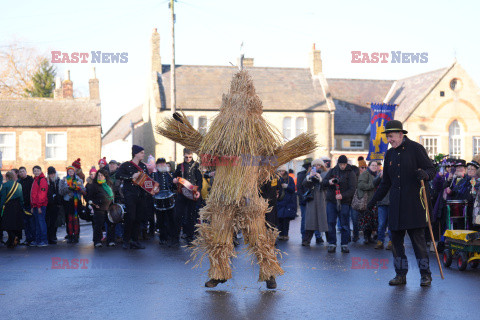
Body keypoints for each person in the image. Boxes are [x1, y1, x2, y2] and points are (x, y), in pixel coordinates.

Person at [368, 120, 435, 287]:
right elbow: (385, 183)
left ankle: (425, 275)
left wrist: (424, 174)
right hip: (396, 206)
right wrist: (373, 201)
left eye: (391, 136)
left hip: (414, 205)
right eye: (387, 137)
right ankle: (400, 275)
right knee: (396, 244)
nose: (389, 140)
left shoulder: (416, 149)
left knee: (418, 243)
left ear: (400, 134)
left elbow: (431, 169)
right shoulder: (389, 154)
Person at [322, 155, 357, 253]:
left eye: (344, 164)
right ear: (338, 163)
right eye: (341, 164)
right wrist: (329, 182)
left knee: (344, 224)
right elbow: (323, 183)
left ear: (347, 164)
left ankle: (344, 244)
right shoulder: (333, 171)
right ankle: (332, 244)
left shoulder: (350, 173)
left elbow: (353, 189)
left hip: (344, 202)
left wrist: (343, 195)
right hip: (332, 201)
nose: (343, 166)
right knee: (331, 223)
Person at [116, 145, 149, 249]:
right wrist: (131, 177)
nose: (143, 154)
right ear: (136, 154)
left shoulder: (143, 166)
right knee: (130, 217)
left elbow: (147, 179)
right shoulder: (126, 165)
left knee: (138, 218)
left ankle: (135, 240)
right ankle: (126, 240)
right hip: (130, 194)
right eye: (142, 152)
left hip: (141, 194)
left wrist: (153, 188)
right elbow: (118, 175)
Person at [172, 148, 202, 245]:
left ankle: (190, 236)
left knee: (191, 216)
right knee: (178, 215)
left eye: (190, 157)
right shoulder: (180, 166)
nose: (188, 158)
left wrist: (198, 191)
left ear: (192, 155)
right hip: (182, 193)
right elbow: (174, 177)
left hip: (192, 194)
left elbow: (199, 180)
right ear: (183, 155)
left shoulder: (196, 166)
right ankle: (175, 237)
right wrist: (174, 180)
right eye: (186, 157)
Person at [302, 159, 328, 246]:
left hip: (322, 199)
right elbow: (304, 184)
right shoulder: (309, 173)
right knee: (310, 220)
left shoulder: (326, 173)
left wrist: (320, 178)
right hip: (312, 200)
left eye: (319, 165)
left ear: (322, 166)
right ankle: (306, 240)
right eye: (315, 165)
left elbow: (326, 185)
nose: (317, 167)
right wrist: (309, 177)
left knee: (325, 221)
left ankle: (331, 241)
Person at [88, 169, 115, 247]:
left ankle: (111, 240)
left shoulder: (109, 184)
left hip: (109, 208)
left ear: (105, 176)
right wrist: (94, 205)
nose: (100, 177)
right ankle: (97, 241)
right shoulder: (94, 185)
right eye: (98, 175)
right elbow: (89, 197)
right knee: (98, 226)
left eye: (101, 175)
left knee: (110, 225)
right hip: (99, 208)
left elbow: (113, 194)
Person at [297, 158, 322, 244]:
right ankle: (305, 238)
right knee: (305, 219)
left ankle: (318, 236)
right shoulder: (301, 175)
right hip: (305, 200)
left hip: (313, 200)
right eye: (312, 166)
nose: (312, 168)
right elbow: (300, 188)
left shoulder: (318, 174)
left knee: (315, 218)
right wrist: (303, 198)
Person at [59, 165, 86, 243]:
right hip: (67, 202)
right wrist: (69, 188)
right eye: (69, 171)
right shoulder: (63, 180)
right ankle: (70, 235)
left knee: (75, 219)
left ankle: (76, 235)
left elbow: (83, 190)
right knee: (69, 219)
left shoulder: (79, 179)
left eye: (72, 171)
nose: (70, 172)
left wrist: (78, 188)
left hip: (76, 201)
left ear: (74, 172)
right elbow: (61, 191)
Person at [354, 161, 379, 245]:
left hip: (375, 201)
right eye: (373, 165)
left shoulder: (377, 174)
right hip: (367, 201)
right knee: (366, 220)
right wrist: (372, 185)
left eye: (376, 165)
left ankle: (369, 237)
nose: (374, 167)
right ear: (369, 166)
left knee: (372, 220)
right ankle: (366, 237)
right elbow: (360, 185)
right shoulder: (365, 174)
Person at [152, 158, 176, 245]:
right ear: (157, 166)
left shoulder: (169, 174)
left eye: (163, 164)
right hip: (159, 199)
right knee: (161, 219)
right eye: (160, 164)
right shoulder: (154, 175)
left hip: (169, 198)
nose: (162, 165)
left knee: (171, 218)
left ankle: (172, 236)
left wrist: (175, 182)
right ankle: (163, 237)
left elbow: (173, 186)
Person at [0, 171, 24, 248]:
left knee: (6, 225)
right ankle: (11, 241)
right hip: (17, 206)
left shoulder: (5, 185)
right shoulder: (19, 185)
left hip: (8, 206)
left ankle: (12, 238)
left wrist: (1, 206)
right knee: (14, 224)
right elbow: (21, 198)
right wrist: (22, 206)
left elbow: (3, 198)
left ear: (7, 177)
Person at [373, 163, 392, 250]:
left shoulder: (395, 174)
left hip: (392, 203)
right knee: (381, 224)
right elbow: (374, 183)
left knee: (391, 225)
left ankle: (391, 242)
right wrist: (380, 176)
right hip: (382, 203)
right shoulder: (381, 174)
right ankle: (380, 241)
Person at [276, 165, 297, 240]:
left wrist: (287, 186)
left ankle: (285, 234)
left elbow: (293, 190)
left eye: (283, 171)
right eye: (280, 171)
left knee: (286, 220)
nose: (281, 172)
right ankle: (280, 234)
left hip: (288, 202)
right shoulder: (276, 179)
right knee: (279, 219)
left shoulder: (290, 179)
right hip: (279, 201)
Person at [31, 166, 49, 247]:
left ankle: (44, 240)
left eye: (38, 170)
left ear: (41, 171)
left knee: (41, 223)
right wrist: (32, 206)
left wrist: (38, 206)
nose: (36, 172)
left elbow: (42, 194)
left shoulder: (42, 180)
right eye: (35, 171)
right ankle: (38, 240)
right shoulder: (35, 180)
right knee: (37, 224)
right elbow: (33, 194)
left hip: (40, 206)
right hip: (35, 206)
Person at [18, 167, 35, 246]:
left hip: (30, 205)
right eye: (20, 172)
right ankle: (28, 239)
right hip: (23, 205)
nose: (22, 173)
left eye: (23, 171)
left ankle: (32, 238)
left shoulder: (31, 180)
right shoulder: (20, 182)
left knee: (31, 222)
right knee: (25, 223)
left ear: (26, 171)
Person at [46, 166, 60, 244]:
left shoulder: (57, 181)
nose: (52, 175)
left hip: (56, 204)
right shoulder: (47, 181)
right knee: (49, 222)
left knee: (54, 222)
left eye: (53, 173)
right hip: (49, 204)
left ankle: (53, 236)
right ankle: (49, 237)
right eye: (51, 174)